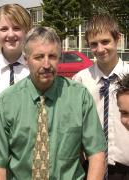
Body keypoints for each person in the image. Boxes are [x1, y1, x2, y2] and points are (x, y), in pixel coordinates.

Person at [0, 26, 106, 180]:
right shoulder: (6, 102)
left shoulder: (80, 98)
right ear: (26, 60)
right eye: (39, 57)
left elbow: (97, 154)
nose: (46, 64)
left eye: (52, 56)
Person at [73, 13, 129, 179]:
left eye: (105, 42)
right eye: (94, 44)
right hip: (92, 167)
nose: (100, 49)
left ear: (117, 38)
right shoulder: (81, 80)